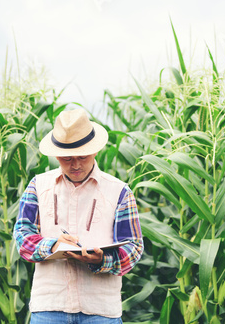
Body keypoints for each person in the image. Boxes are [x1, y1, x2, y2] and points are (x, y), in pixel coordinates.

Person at [13, 108, 144, 324]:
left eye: (82, 157)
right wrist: (53, 246)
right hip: (49, 308)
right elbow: (22, 237)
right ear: (56, 154)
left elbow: (134, 247)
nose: (75, 165)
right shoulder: (38, 186)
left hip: (100, 311)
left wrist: (102, 259)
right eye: (66, 158)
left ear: (95, 151)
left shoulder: (119, 191)